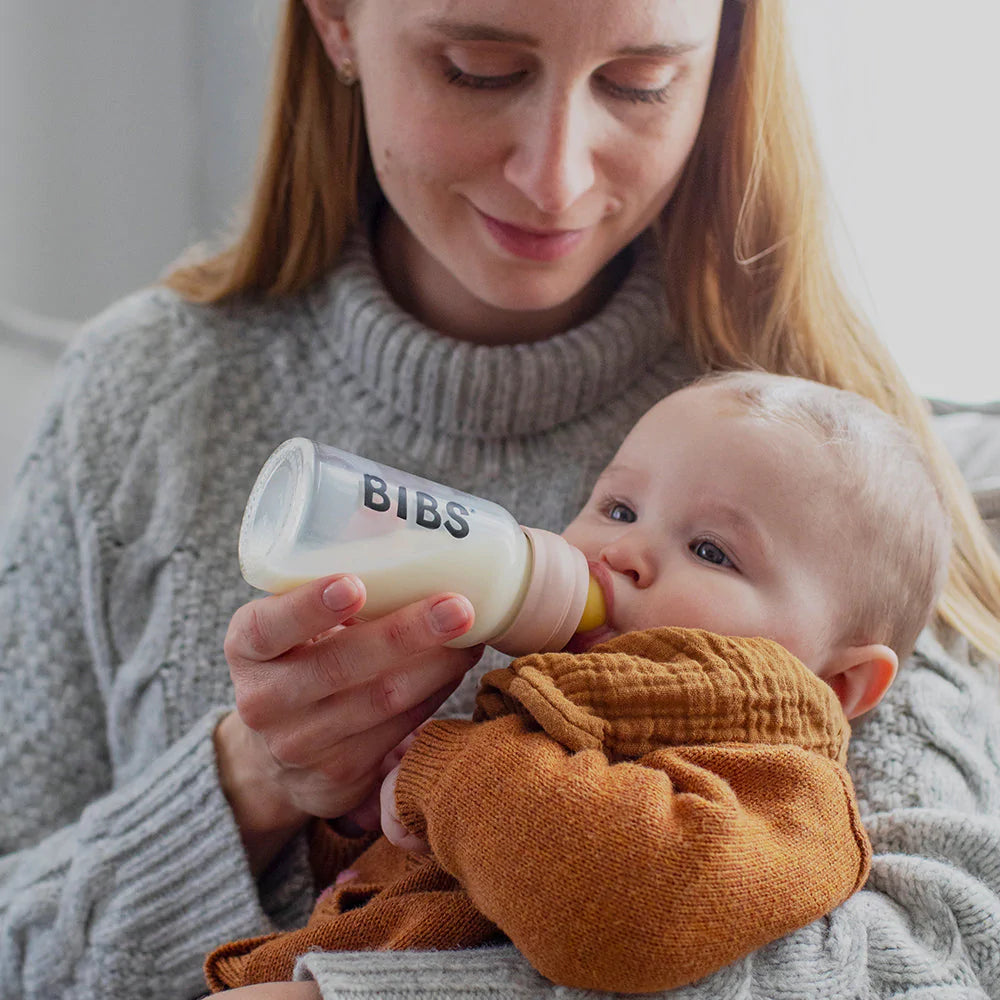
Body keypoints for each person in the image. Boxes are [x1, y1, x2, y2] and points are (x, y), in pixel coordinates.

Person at [1, 0, 998, 998]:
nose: (553, 177)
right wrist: (254, 781)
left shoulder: (828, 464)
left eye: (638, 81)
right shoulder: (139, 403)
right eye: (478, 69)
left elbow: (932, 957)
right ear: (339, 23)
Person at [203, 371, 950, 995]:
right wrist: (359, 824)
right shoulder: (542, 714)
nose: (623, 550)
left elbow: (624, 911)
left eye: (711, 550)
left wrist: (446, 769)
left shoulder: (779, 790)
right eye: (619, 508)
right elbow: (422, 902)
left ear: (845, 683)